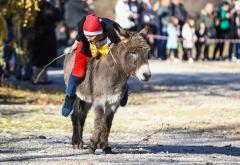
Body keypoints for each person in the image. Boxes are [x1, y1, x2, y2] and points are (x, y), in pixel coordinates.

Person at [62, 14, 128, 117]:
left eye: (91, 35)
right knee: (78, 72)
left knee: (116, 66)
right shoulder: (82, 24)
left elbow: (121, 45)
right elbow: (80, 37)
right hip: (85, 47)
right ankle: (69, 98)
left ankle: (124, 87)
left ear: (99, 32)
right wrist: (74, 45)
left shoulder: (110, 28)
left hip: (105, 46)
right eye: (87, 35)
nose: (89, 38)